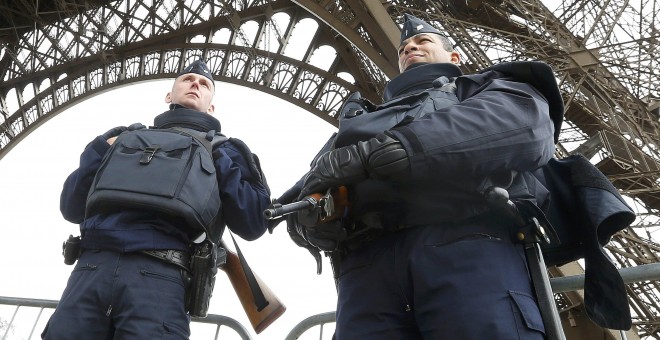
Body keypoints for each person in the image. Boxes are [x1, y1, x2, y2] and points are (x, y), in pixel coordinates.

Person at [274, 14, 565, 339]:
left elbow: (525, 126)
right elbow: (308, 194)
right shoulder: (359, 121)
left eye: (423, 42)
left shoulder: (478, 87)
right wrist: (309, 224)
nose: (410, 47)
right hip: (366, 270)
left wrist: (387, 150)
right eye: (404, 48)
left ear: (454, 57)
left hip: (465, 246)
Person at [42, 60, 272, 339]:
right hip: (103, 270)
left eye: (204, 84)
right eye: (187, 79)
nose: (195, 84)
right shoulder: (122, 136)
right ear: (168, 95)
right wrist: (102, 147)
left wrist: (221, 159)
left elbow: (252, 221)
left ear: (211, 107)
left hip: (149, 275)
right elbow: (71, 205)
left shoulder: (223, 150)